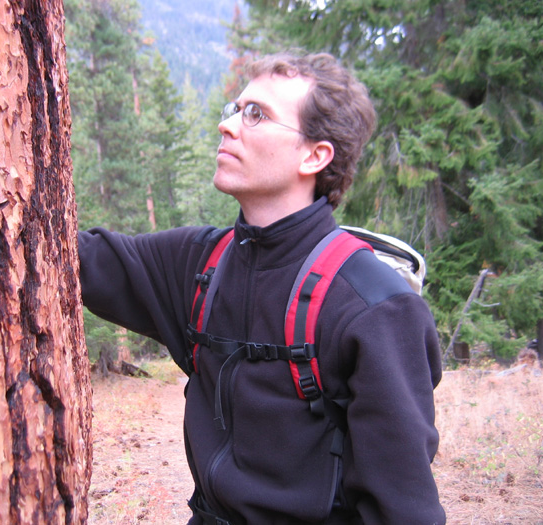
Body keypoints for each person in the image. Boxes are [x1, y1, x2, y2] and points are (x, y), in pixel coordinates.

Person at [78, 51, 445, 524]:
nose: (228, 126)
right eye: (235, 109)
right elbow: (71, 259)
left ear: (315, 155)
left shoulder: (373, 307)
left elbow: (404, 510)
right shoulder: (201, 262)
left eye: (258, 115)